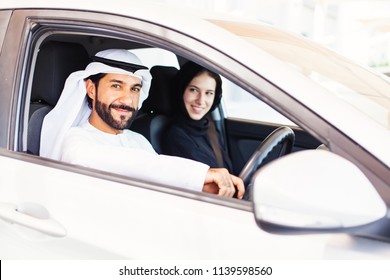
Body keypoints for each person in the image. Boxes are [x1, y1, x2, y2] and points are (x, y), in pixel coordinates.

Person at [40, 49, 244, 199]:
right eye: (116, 86)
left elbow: (160, 181)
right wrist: (201, 176)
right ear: (91, 90)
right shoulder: (75, 141)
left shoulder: (137, 139)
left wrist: (206, 186)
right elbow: (139, 166)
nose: (127, 99)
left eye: (135, 89)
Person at [161, 61, 233, 172]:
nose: (200, 101)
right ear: (181, 90)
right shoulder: (176, 136)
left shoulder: (208, 127)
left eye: (209, 93)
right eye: (193, 90)